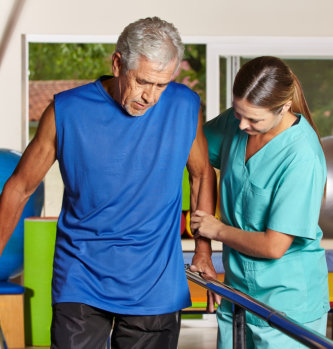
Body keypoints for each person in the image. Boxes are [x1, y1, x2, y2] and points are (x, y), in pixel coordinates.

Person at [0, 17, 218, 349]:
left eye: (162, 84)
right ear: (118, 64)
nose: (151, 97)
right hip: (81, 276)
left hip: (154, 282)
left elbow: (202, 175)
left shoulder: (184, 106)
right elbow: (20, 186)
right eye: (143, 81)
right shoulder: (66, 110)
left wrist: (203, 250)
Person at [191, 56, 330, 348]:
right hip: (238, 293)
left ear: (284, 107)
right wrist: (202, 250)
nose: (241, 124)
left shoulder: (301, 155)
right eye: (238, 112)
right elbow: (198, 161)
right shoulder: (237, 122)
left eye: (254, 119)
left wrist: (215, 231)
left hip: (288, 304)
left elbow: (274, 245)